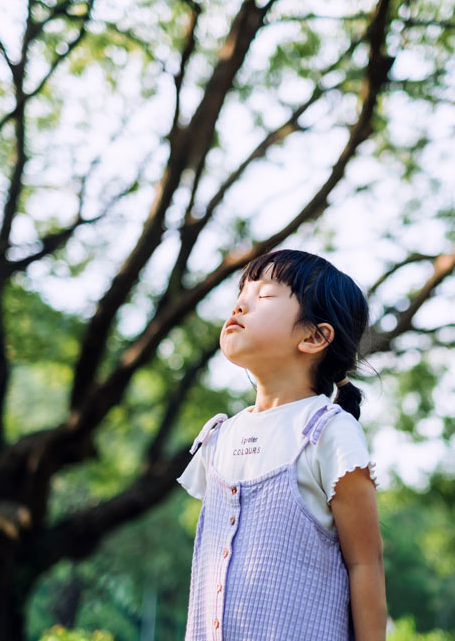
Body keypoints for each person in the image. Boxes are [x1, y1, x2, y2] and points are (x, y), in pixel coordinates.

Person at [178, 249, 387, 640]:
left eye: (266, 296)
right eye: (242, 291)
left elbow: (366, 564)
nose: (240, 303)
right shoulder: (218, 438)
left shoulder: (328, 432)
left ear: (314, 336)